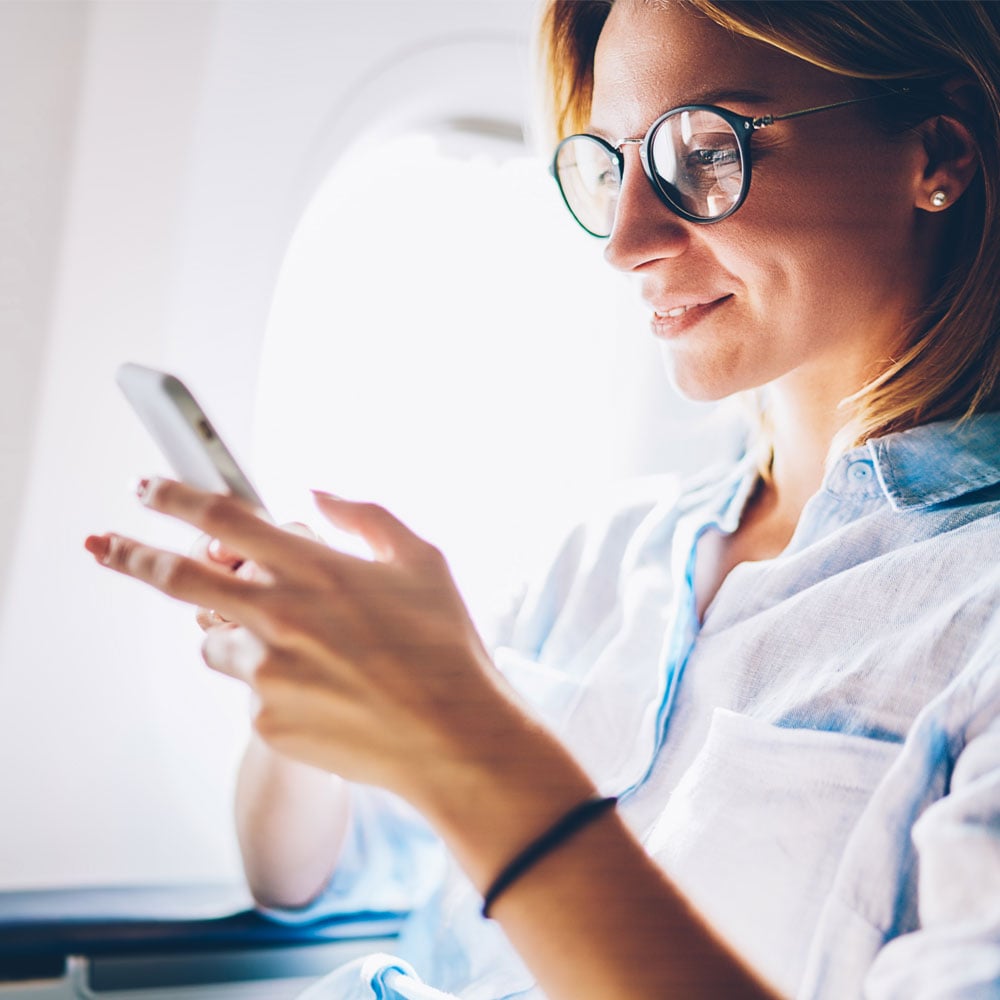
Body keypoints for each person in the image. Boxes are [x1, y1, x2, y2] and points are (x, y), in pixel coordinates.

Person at [85, 0, 1000, 997]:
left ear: (937, 152)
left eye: (703, 151)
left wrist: (479, 752)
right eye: (610, 165)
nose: (625, 238)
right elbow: (301, 877)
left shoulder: (972, 608)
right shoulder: (609, 558)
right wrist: (305, 675)